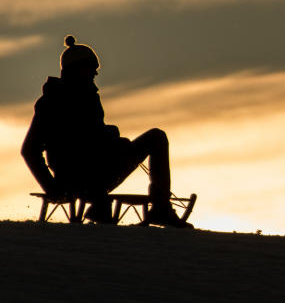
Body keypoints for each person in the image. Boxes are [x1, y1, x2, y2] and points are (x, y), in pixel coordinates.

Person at [21, 35, 191, 228]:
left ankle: (160, 208)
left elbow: (92, 139)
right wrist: (51, 188)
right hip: (75, 178)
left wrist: (111, 139)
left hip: (99, 171)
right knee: (153, 139)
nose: (95, 74)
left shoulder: (89, 98)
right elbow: (30, 150)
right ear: (77, 70)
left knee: (156, 137)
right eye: (91, 69)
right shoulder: (52, 102)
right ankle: (102, 206)